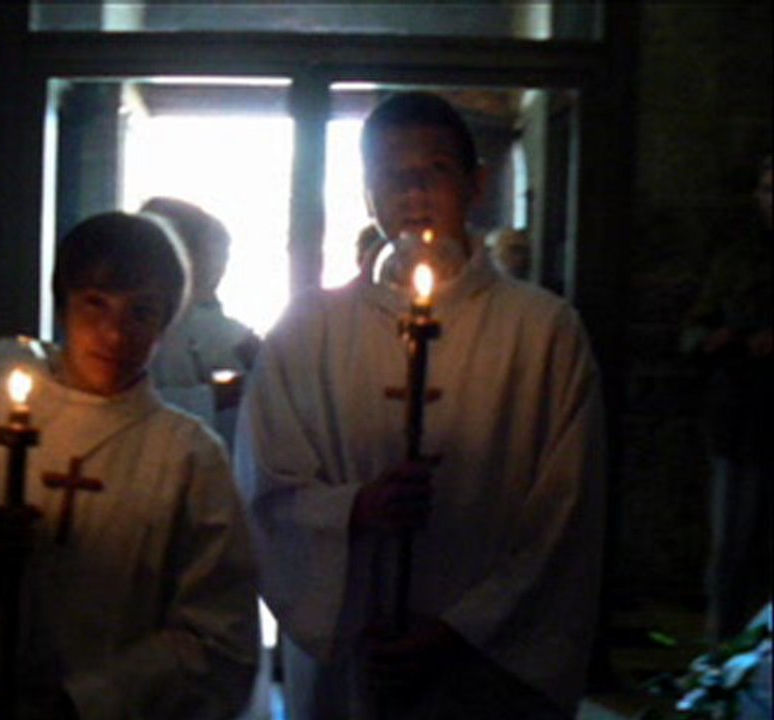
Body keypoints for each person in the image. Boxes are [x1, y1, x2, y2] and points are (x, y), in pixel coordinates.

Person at [234, 91, 607, 719]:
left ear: (475, 184)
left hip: (487, 662)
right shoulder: (305, 330)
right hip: (356, 652)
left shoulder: (542, 331)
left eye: (433, 170)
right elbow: (265, 485)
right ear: (368, 193)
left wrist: (454, 631)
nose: (412, 192)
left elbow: (564, 517)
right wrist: (354, 509)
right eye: (389, 175)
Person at [0, 212, 260, 720]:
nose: (114, 334)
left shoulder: (188, 456)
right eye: (95, 303)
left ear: (167, 323)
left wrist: (91, 698)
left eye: (142, 312)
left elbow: (220, 633)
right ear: (63, 300)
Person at [681, 152, 772, 642]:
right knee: (730, 549)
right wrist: (721, 339)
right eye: (768, 190)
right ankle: (723, 656)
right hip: (740, 420)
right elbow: (694, 330)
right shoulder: (735, 261)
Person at [141, 197, 260, 449]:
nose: (219, 270)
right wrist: (213, 397)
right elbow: (127, 406)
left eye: (224, 259)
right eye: (213, 256)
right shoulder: (139, 326)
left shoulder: (225, 331)